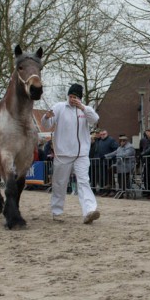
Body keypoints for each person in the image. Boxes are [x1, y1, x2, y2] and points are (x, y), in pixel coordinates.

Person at [41, 83, 101, 224]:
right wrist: (46, 117)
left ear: (79, 98)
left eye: (75, 97)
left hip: (81, 154)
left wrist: (83, 107)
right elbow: (46, 125)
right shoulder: (59, 107)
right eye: (70, 96)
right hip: (63, 154)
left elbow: (95, 120)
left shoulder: (85, 110)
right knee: (59, 184)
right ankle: (57, 211)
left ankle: (90, 211)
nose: (72, 99)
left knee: (84, 181)